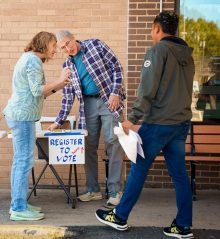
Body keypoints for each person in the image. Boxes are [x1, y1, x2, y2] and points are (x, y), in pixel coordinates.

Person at [95, 11, 195, 239]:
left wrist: (132, 118)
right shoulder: (187, 55)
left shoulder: (158, 51)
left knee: (139, 168)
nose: (151, 34)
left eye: (151, 30)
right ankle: (183, 226)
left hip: (158, 122)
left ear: (158, 29)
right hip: (180, 124)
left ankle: (119, 217)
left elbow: (147, 89)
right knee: (179, 175)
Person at [48, 30, 126, 208]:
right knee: (88, 146)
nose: (67, 49)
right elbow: (68, 97)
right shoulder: (67, 66)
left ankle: (115, 191)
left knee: (113, 143)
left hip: (108, 99)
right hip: (87, 105)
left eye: (68, 43)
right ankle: (93, 189)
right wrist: (58, 121)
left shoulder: (96, 45)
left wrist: (115, 93)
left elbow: (117, 67)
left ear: (73, 38)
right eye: (62, 48)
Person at [3, 31, 70, 221]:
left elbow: (39, 94)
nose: (56, 49)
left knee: (21, 161)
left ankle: (19, 204)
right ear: (43, 44)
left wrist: (59, 86)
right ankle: (18, 208)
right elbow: (36, 90)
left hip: (21, 115)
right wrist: (59, 79)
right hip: (22, 116)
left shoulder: (30, 59)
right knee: (24, 162)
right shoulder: (32, 60)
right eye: (54, 45)